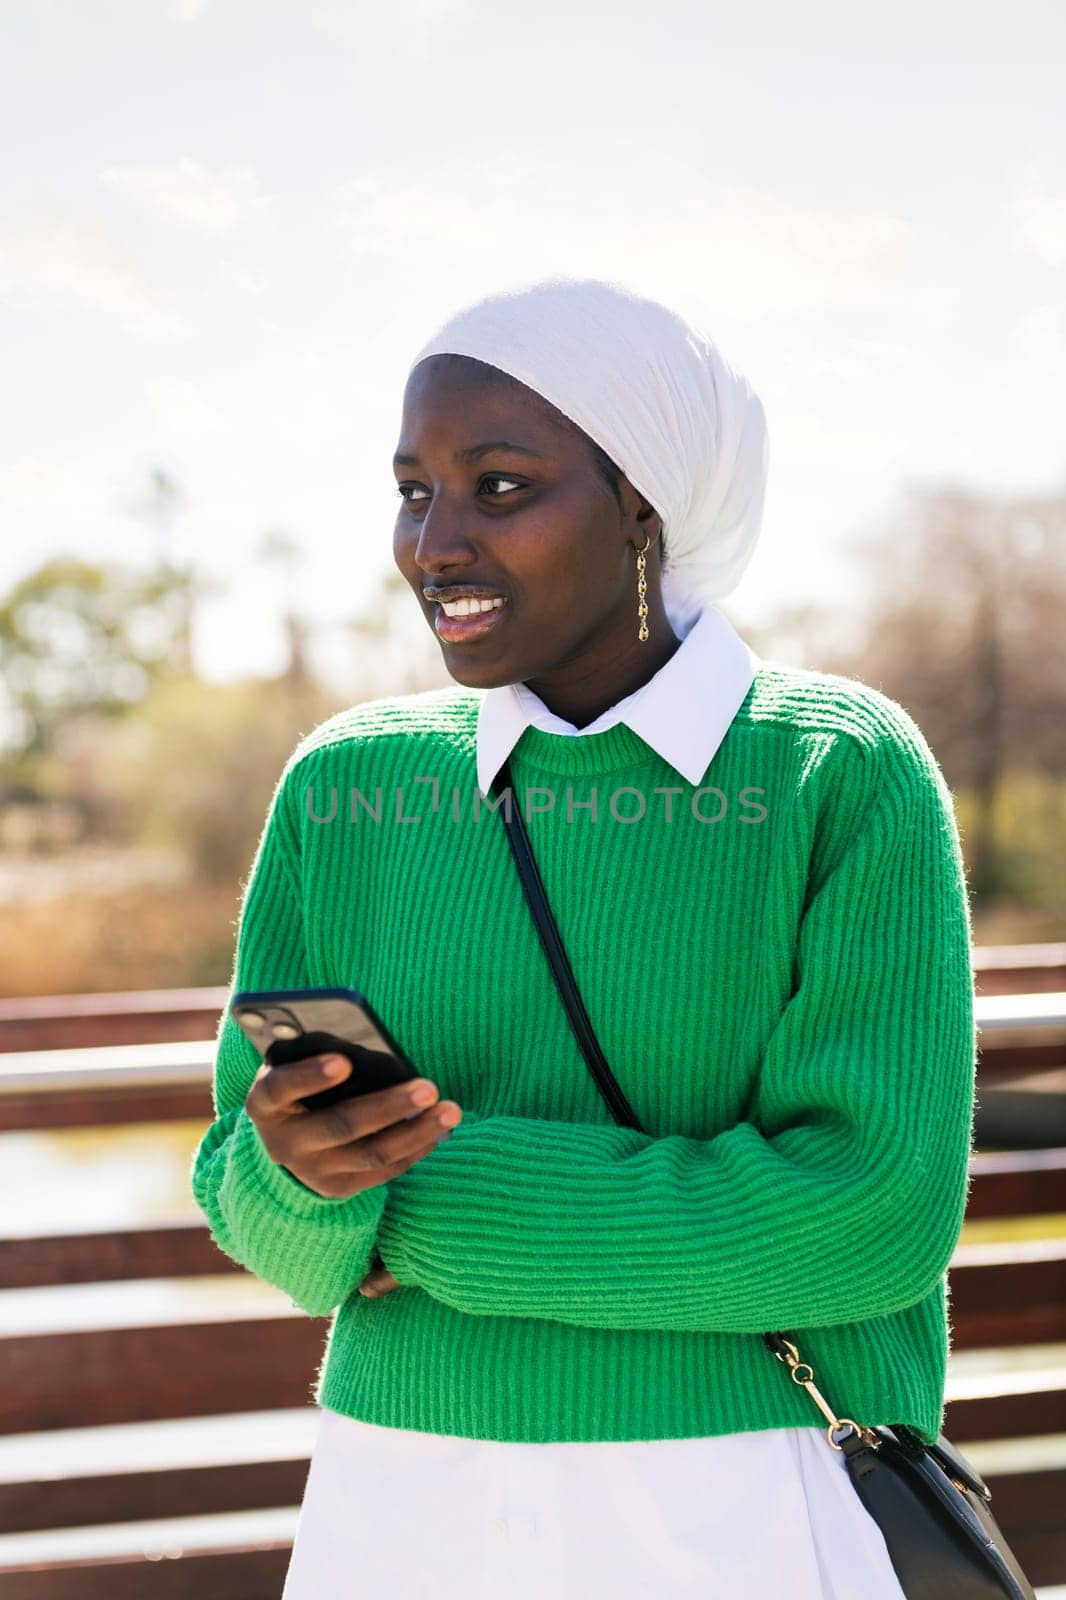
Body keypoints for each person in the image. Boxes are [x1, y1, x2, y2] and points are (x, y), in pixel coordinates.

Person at [190, 276, 976, 1598]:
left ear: (642, 504)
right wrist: (303, 1185)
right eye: (413, 490)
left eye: (497, 486)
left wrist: (414, 1208)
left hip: (748, 1498)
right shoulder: (345, 789)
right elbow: (252, 1195)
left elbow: (867, 1222)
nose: (434, 541)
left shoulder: (832, 771)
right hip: (398, 1495)